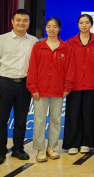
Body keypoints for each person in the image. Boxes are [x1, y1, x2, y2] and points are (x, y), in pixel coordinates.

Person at [0, 9, 39, 166]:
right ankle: (0, 152)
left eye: (25, 20)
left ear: (29, 22)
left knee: (21, 120)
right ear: (12, 21)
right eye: (18, 20)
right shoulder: (1, 39)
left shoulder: (34, 41)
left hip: (24, 85)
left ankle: (18, 149)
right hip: (5, 84)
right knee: (1, 120)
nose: (21, 23)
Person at [27, 18, 74, 163]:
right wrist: (33, 87)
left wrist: (67, 87)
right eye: (49, 26)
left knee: (56, 119)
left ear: (59, 28)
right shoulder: (38, 47)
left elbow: (70, 69)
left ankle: (52, 147)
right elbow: (32, 68)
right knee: (39, 119)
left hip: (58, 89)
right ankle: (40, 149)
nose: (51, 29)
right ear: (45, 28)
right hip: (40, 90)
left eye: (55, 26)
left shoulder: (66, 47)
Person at [63, 14, 94, 155]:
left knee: (89, 114)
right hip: (74, 84)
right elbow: (66, 64)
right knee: (73, 114)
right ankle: (72, 144)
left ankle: (87, 142)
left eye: (87, 23)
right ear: (78, 25)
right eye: (81, 23)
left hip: (91, 84)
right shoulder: (71, 42)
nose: (84, 25)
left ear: (91, 25)